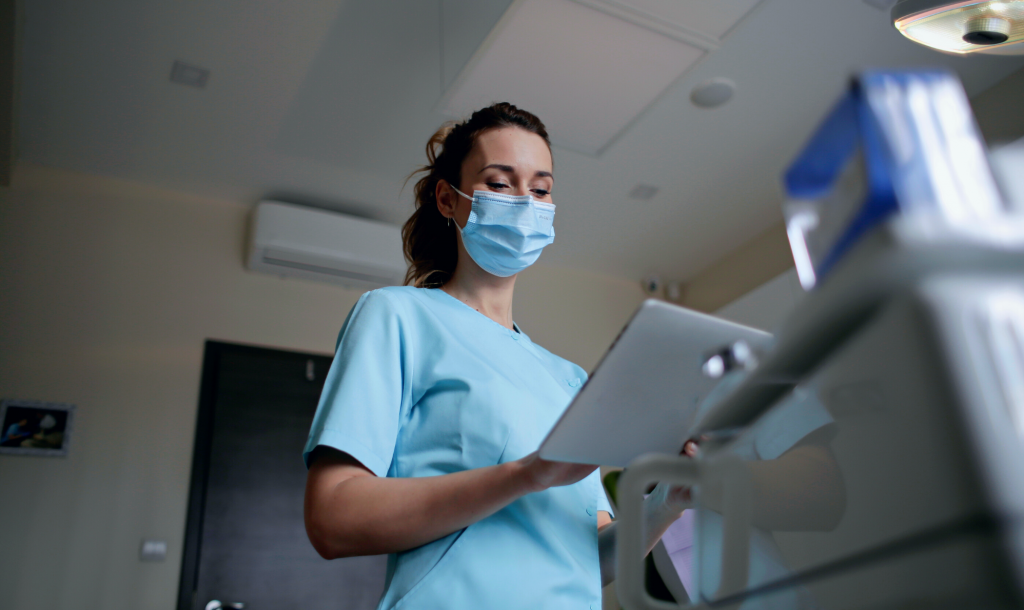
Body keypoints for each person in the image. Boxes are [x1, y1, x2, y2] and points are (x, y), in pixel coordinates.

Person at [303, 103, 687, 610]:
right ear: (448, 199)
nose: (526, 203)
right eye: (501, 184)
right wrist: (528, 473)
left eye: (541, 189)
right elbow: (333, 519)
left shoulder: (569, 380)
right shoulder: (397, 316)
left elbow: (585, 559)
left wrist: (666, 505)